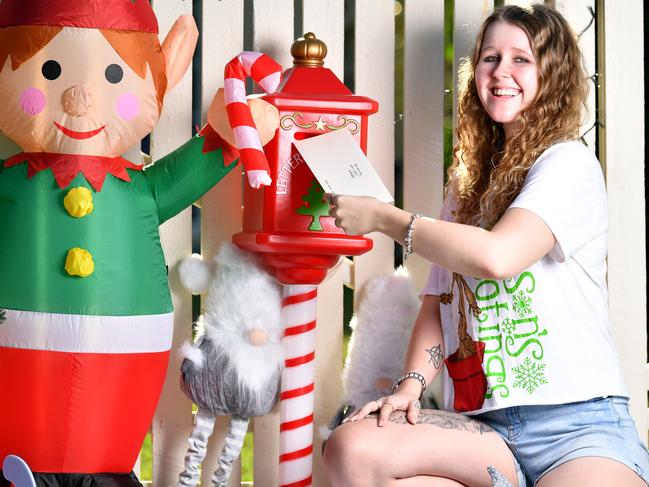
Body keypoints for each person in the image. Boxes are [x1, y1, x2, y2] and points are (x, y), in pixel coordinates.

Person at [323, 4, 649, 486]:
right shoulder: (466, 187)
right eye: (490, 57)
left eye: (521, 59)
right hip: (483, 432)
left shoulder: (568, 165)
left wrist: (382, 218)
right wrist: (410, 387)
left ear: (552, 73)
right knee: (350, 448)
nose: (501, 72)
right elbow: (439, 303)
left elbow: (497, 256)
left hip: (579, 429)